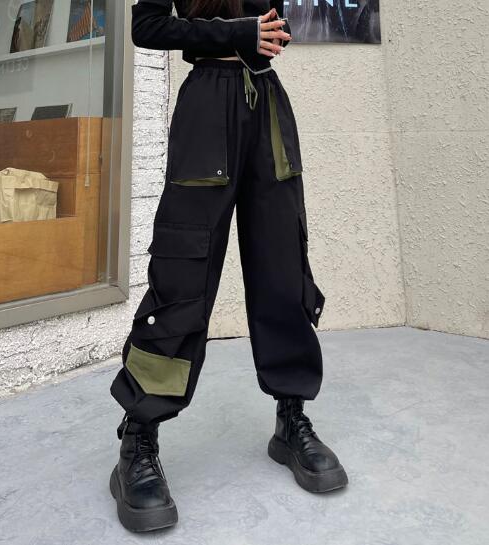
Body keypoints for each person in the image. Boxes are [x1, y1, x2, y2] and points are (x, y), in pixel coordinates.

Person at [109, 0, 348, 533]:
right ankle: (138, 436)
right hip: (206, 106)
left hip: (267, 106)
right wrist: (235, 32)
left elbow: (278, 28)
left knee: (284, 267)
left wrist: (262, 34)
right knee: (183, 274)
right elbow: (147, 27)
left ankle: (291, 418)